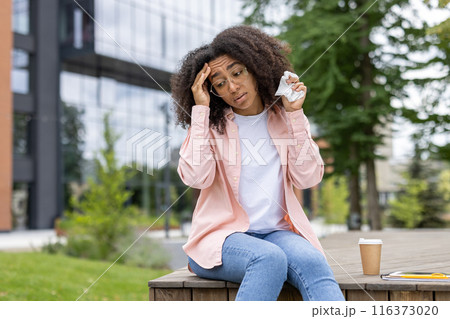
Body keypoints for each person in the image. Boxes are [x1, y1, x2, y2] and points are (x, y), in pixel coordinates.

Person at [171, 25, 345, 301]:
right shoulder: (211, 125)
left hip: (276, 233)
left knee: (314, 263)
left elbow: (308, 179)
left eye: (237, 73)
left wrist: (296, 116)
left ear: (255, 68)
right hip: (223, 239)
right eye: (220, 83)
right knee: (268, 259)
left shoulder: (284, 116)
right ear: (212, 90)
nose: (233, 87)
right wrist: (201, 110)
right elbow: (196, 178)